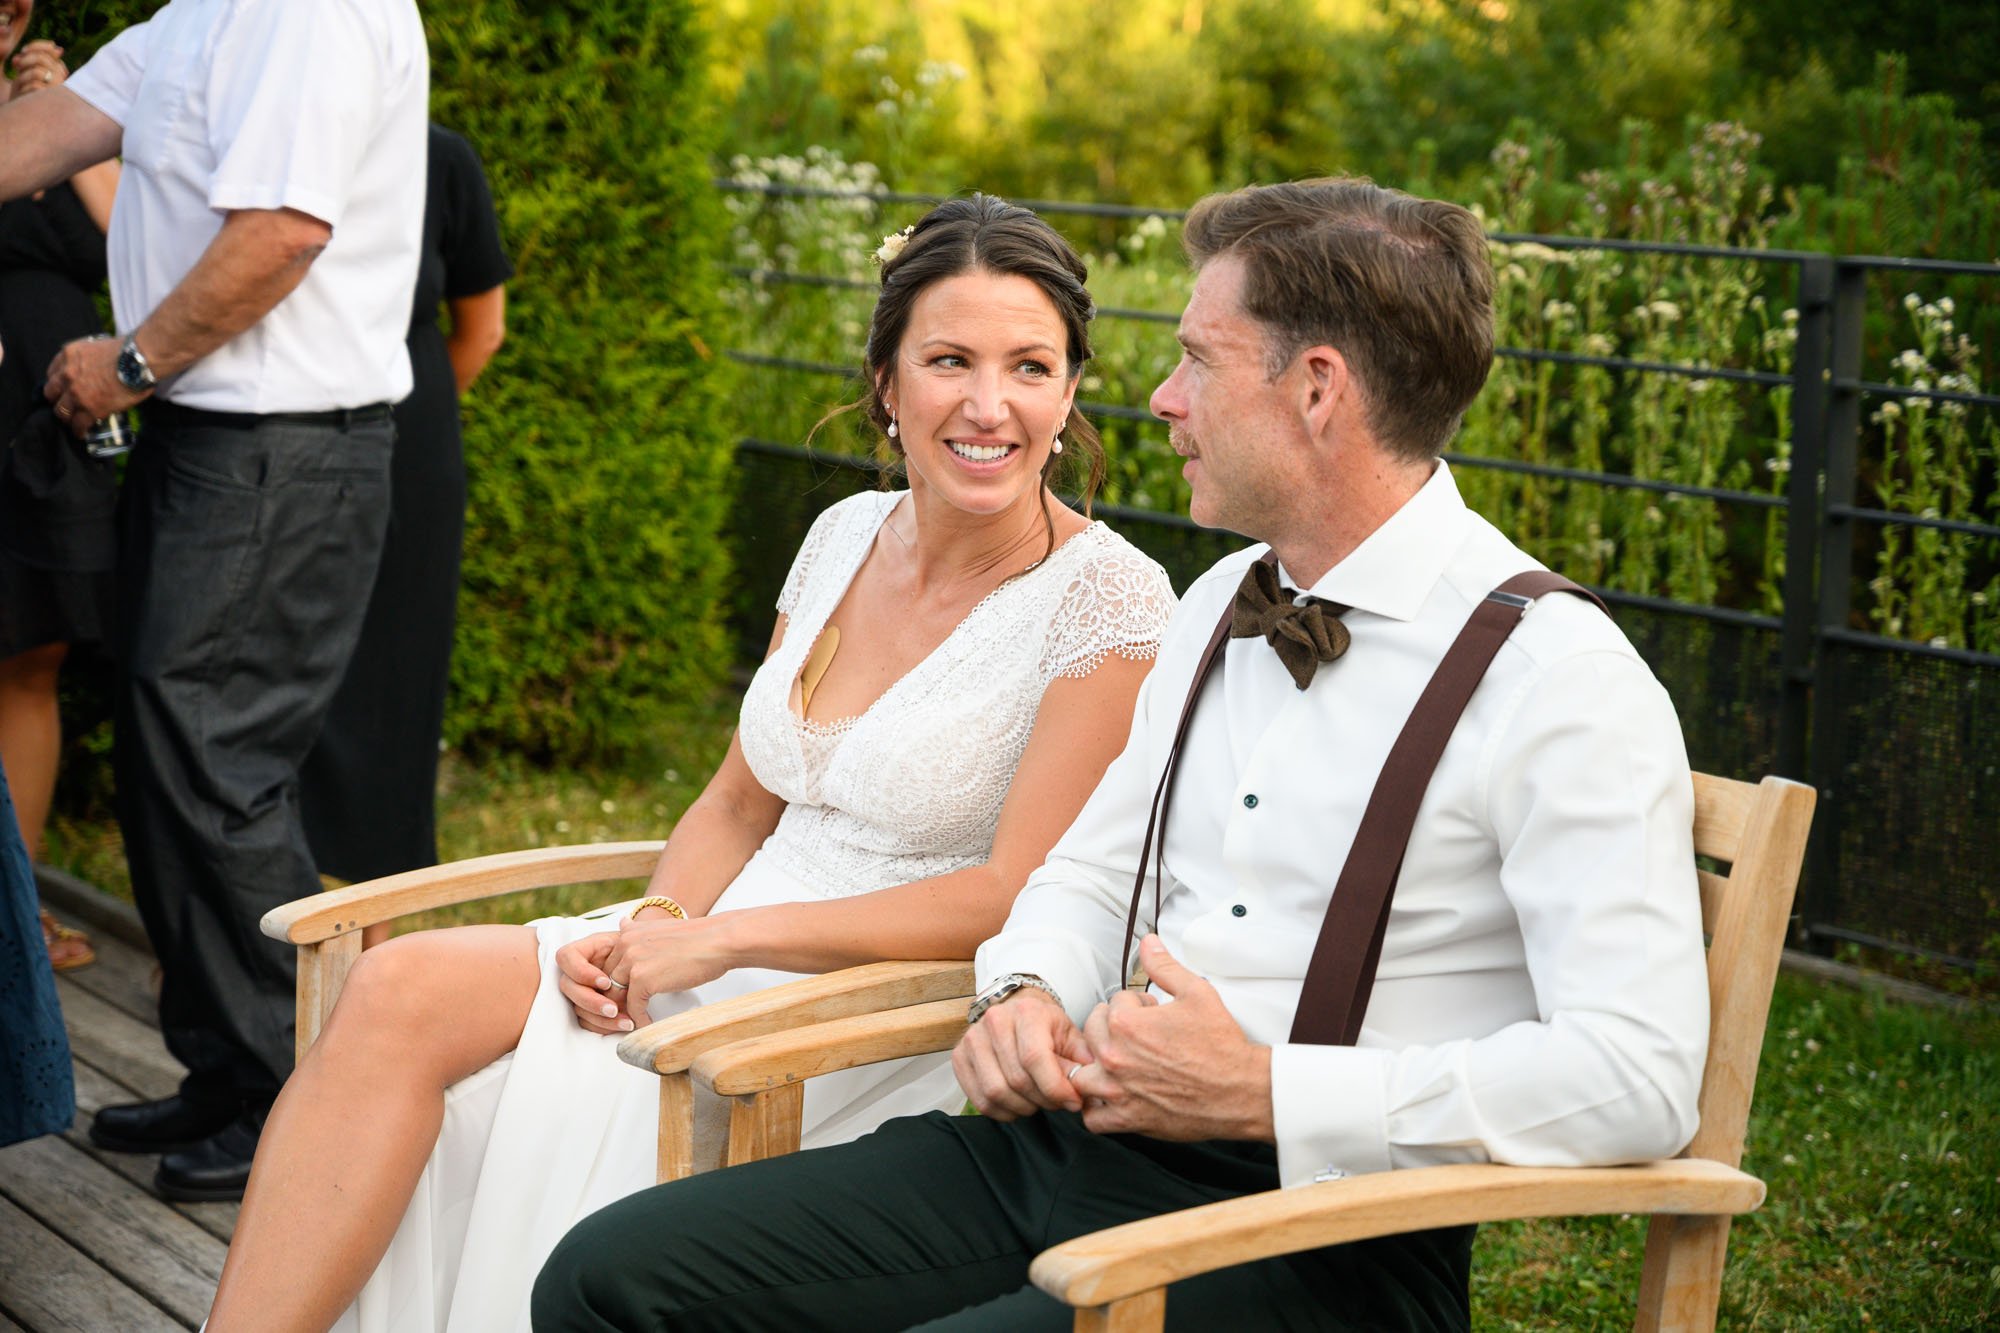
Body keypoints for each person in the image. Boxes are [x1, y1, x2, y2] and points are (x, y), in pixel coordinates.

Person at [533, 178, 1713, 1332]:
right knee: (608, 1276)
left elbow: (1640, 1076)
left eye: (1197, 359)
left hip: (1322, 1236)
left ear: (1314, 390)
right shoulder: (1214, 604)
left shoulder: (1555, 681)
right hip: (1065, 1143)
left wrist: (1263, 1091)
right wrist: (1029, 987)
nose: (1159, 398)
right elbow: (1092, 871)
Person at [200, 194, 1177, 1333]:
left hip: (864, 1004)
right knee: (394, 987)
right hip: (708, 932)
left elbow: (1007, 894)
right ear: (885, 383)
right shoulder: (843, 536)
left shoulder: (1107, 598)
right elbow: (735, 796)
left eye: (1028, 367)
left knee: (509, 1113)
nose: (986, 404)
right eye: (947, 359)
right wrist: (655, 921)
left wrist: (717, 941)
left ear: (1067, 394)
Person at [0, 0, 428, 1200]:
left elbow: (283, 233)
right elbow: (44, 134)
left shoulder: (312, 13)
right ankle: (230, 1068)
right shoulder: (195, 14)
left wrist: (125, 364)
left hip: (279, 449)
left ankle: (303, 1093)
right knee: (169, 753)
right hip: (214, 445)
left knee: (220, 761)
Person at [301, 123, 512, 891]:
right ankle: (243, 925)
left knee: (393, 678)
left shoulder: (442, 155)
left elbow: (482, 329)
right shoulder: (272, 138)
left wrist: (393, 424)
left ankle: (368, 921)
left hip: (407, 448)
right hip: (295, 433)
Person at [0, 0, 120, 974]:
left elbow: (129, 237)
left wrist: (67, 110)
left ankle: (15, 909)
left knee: (32, 660)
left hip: (55, 426)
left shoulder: (69, 112)